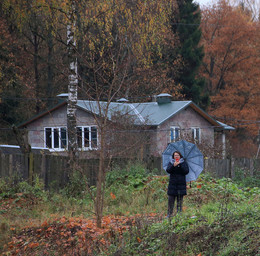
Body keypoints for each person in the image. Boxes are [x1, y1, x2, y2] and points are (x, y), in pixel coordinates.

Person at [166, 151, 189, 217]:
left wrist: (180, 165)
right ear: (173, 156)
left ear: (180, 156)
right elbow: (168, 170)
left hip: (181, 185)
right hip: (172, 185)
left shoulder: (184, 163)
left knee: (179, 202)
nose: (176, 157)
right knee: (170, 201)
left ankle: (179, 216)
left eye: (177, 155)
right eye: (175, 155)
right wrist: (173, 166)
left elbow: (186, 171)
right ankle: (169, 215)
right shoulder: (171, 163)